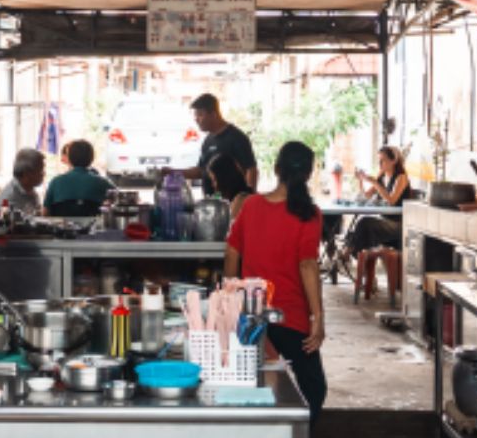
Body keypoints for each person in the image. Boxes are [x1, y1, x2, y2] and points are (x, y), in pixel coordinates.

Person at [224, 141, 327, 420]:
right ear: (308, 174)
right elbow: (307, 265)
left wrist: (230, 299)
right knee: (313, 389)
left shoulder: (252, 204)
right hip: (290, 315)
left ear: (276, 168)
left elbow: (232, 251)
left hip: (252, 313)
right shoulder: (309, 213)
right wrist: (318, 317)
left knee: (255, 382)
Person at [346, 146, 413, 302]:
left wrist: (375, 183)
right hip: (386, 223)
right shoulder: (382, 176)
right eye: (379, 160)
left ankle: (353, 252)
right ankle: (368, 274)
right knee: (366, 226)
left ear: (393, 160)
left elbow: (391, 200)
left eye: (382, 160)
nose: (380, 164)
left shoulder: (401, 178)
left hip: (398, 225)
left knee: (366, 224)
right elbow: (366, 196)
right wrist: (361, 181)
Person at [168, 93, 256, 202]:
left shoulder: (236, 137)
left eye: (200, 114)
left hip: (233, 204)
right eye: (195, 115)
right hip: (212, 204)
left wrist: (248, 200)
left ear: (214, 114)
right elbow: (201, 171)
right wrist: (172, 173)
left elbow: (251, 169)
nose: (196, 119)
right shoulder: (208, 140)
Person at [44, 139, 112, 217]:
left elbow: (45, 213)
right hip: (92, 227)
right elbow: (118, 204)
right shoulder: (103, 183)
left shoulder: (55, 182)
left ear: (69, 158)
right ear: (91, 158)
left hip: (62, 227)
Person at [0, 148, 47, 216]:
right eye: (40, 171)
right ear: (27, 174)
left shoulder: (31, 192)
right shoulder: (9, 198)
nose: (43, 174)